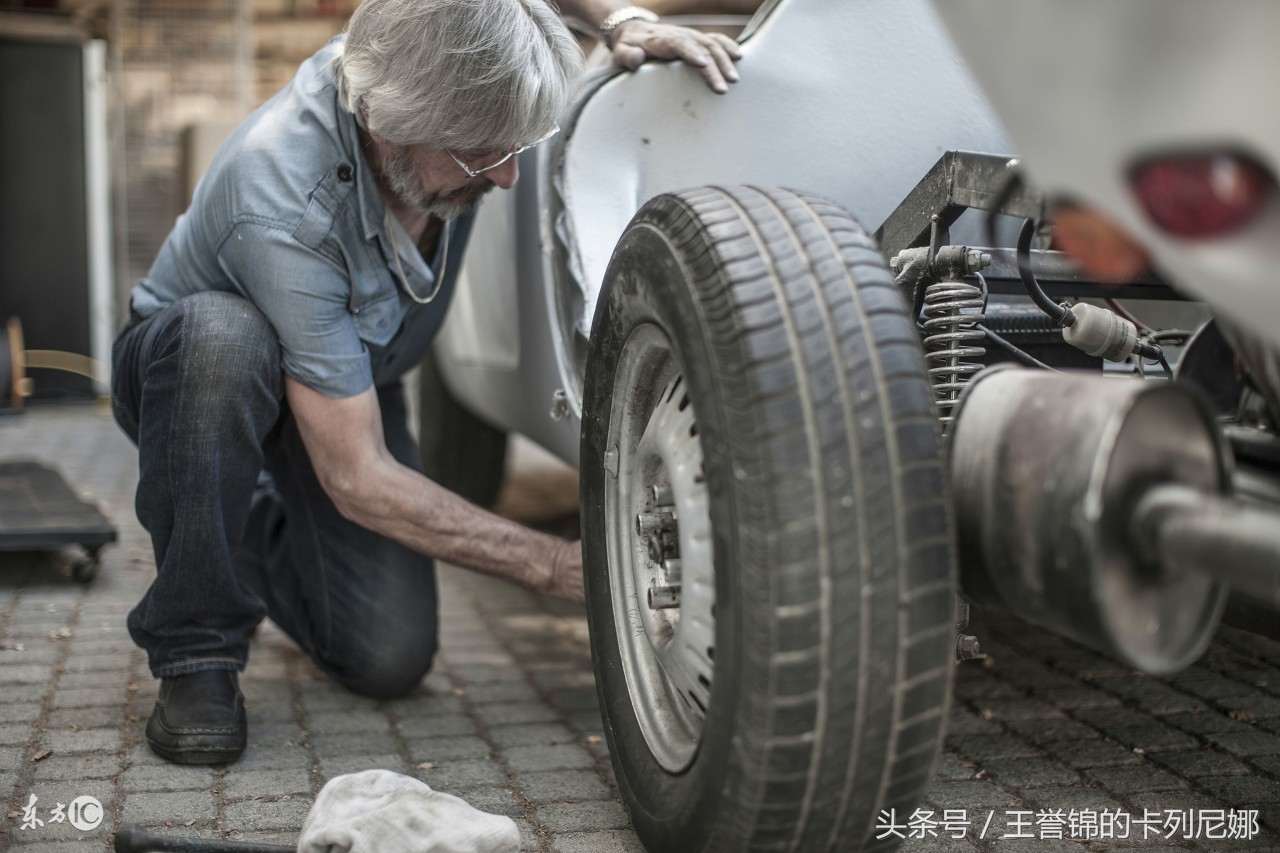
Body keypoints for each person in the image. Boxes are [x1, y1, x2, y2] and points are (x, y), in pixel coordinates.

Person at [110, 0, 742, 766]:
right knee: (225, 335)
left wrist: (622, 22)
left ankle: (231, 523)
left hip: (347, 377)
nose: (507, 174)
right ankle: (195, 649)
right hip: (195, 381)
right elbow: (357, 475)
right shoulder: (279, 200)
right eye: (481, 155)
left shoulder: (424, 46)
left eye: (516, 145)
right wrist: (550, 564)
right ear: (387, 125)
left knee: (387, 654)